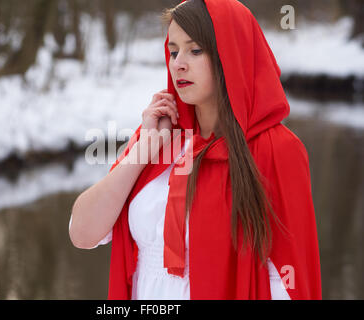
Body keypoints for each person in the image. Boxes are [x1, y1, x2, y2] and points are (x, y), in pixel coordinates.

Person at [69, 0, 322, 300]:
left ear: (232, 53)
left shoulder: (276, 149)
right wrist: (142, 150)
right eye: (173, 51)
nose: (178, 63)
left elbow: (288, 279)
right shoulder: (160, 138)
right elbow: (82, 233)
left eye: (195, 50)